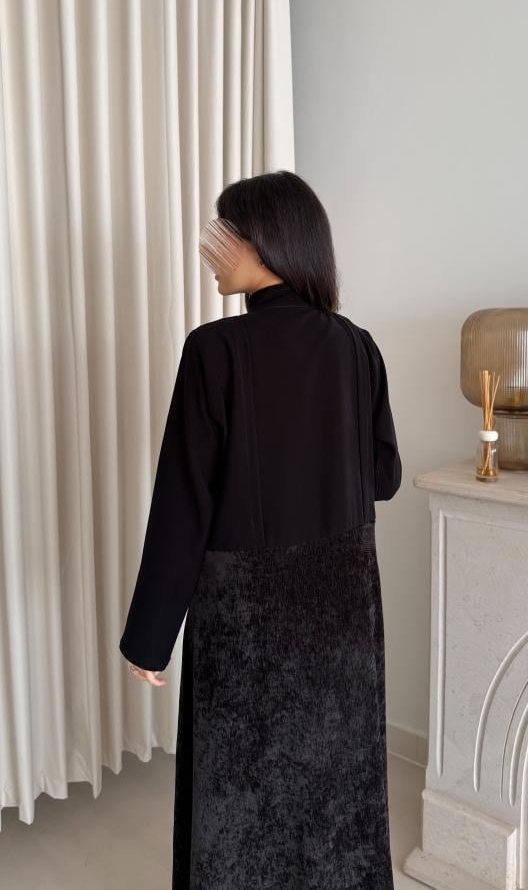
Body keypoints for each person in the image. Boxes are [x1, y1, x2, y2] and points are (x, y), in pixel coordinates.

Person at [119, 169, 402, 889]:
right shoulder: (358, 346)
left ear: (266, 240)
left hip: (249, 623)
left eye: (226, 235)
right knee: (335, 792)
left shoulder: (215, 350)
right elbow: (385, 477)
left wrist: (150, 636)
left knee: (240, 801)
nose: (212, 252)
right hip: (342, 615)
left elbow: (184, 504)